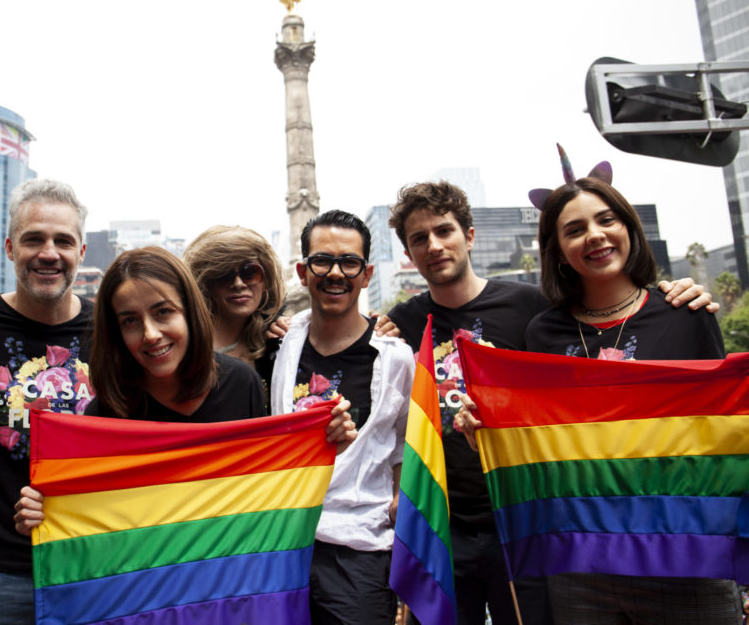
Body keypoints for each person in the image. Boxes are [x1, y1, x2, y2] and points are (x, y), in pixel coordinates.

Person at [380, 177, 717, 625]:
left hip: (536, 521)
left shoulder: (535, 312)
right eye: (419, 239)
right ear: (408, 252)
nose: (434, 245)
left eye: (444, 231)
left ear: (470, 235)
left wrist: (675, 295)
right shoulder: (400, 323)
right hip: (447, 522)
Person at [521, 172, 741, 623]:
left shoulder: (687, 314)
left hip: (684, 558)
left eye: (606, 220)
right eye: (575, 230)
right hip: (581, 566)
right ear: (558, 250)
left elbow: (722, 435)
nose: (595, 236)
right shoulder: (541, 334)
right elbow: (538, 442)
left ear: (628, 227)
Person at [13, 246, 356, 530]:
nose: (150, 334)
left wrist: (321, 443)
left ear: (191, 312)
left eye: (163, 312)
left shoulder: (243, 384)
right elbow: (88, 514)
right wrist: (44, 511)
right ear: (115, 333)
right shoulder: (105, 415)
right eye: (130, 321)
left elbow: (263, 489)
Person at [0, 178, 94, 625]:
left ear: (81, 252)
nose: (49, 252)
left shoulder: (112, 328)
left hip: (88, 564)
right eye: (34, 239)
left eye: (63, 240)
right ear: (10, 248)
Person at [271, 210, 413, 625]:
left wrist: (400, 497)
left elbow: (405, 440)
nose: (335, 273)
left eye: (349, 262)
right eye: (322, 261)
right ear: (302, 271)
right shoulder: (280, 345)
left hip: (359, 548)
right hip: (284, 540)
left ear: (366, 274)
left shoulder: (397, 359)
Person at [183, 225, 286, 384]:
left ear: (266, 279)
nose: (238, 284)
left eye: (250, 273)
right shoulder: (186, 347)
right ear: (204, 284)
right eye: (224, 274)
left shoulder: (276, 340)